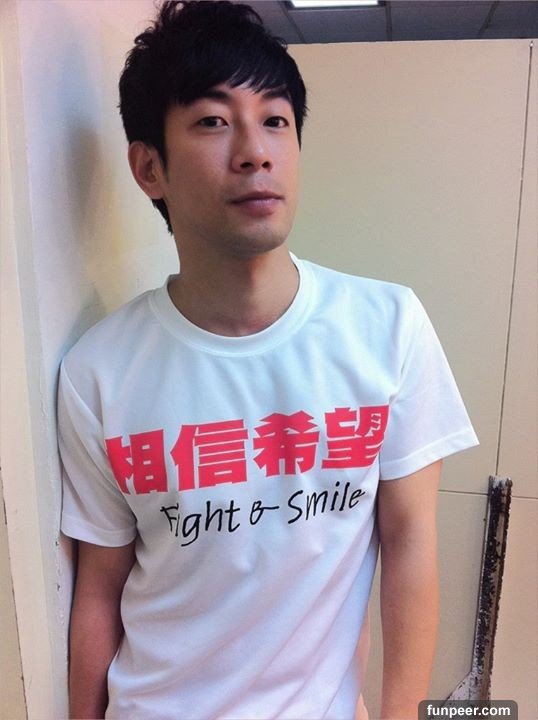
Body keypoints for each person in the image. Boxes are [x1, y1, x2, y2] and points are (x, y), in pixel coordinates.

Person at [57, 2, 479, 719]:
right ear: (149, 168)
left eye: (276, 120)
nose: (255, 151)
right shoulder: (98, 371)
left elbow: (409, 540)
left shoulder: (387, 326)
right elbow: (99, 588)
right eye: (213, 121)